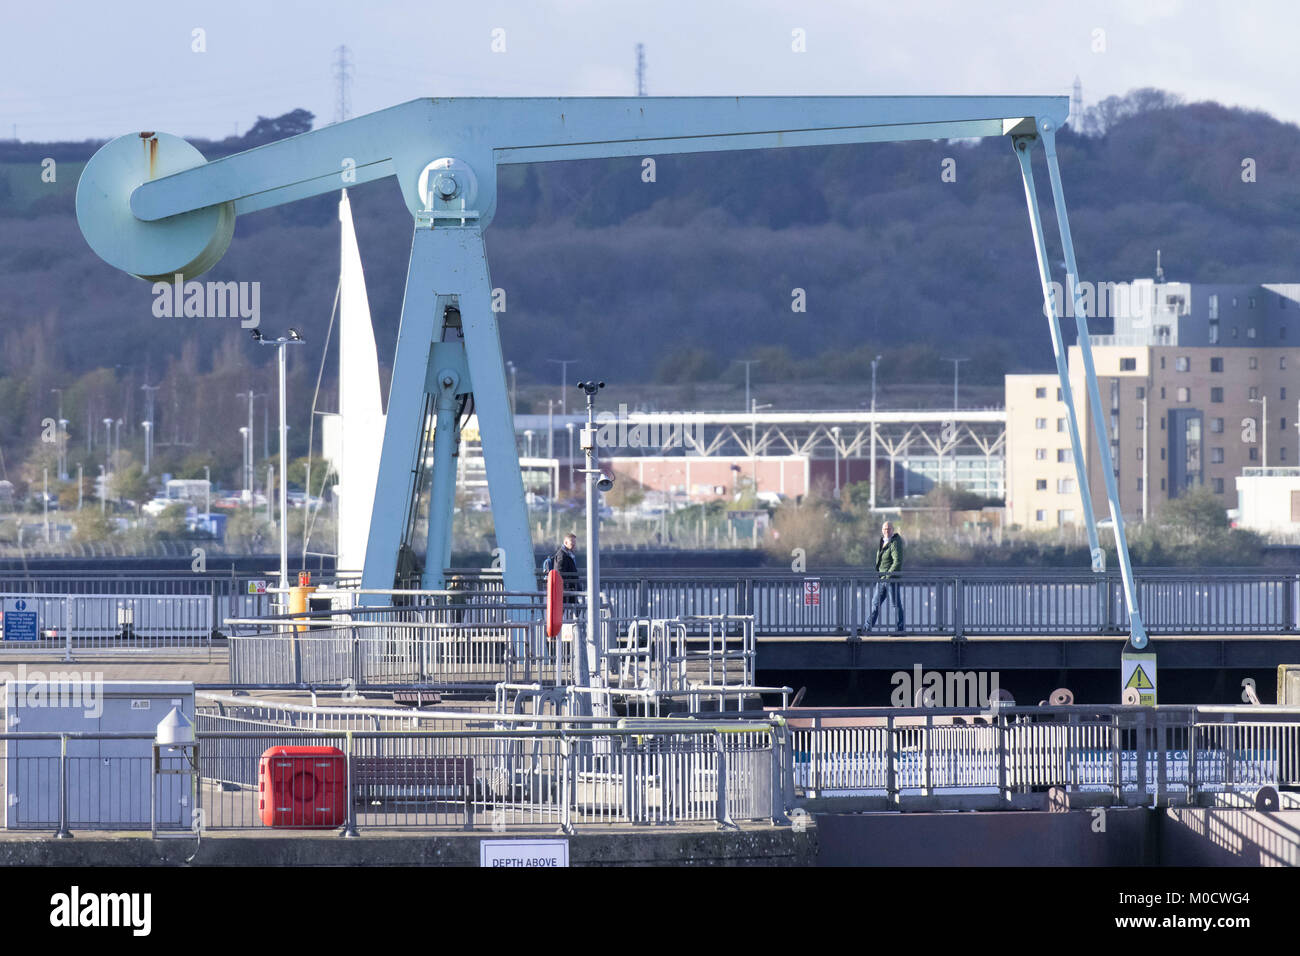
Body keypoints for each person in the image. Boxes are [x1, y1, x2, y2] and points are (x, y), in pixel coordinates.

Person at [867, 520, 905, 634]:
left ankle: (900, 629)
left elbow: (897, 561)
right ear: (882, 530)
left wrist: (888, 575)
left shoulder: (895, 542)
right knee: (875, 603)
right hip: (882, 579)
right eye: (884, 529)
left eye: (888, 529)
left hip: (891, 579)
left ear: (893, 530)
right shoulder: (883, 541)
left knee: (895, 604)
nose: (886, 531)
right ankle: (867, 627)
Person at [541, 533, 580, 605]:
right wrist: (567, 586)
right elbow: (560, 572)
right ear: (565, 542)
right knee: (576, 609)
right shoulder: (562, 555)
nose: (574, 544)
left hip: (568, 588)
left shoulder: (568, 554)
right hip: (566, 589)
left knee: (576, 609)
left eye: (575, 542)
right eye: (572, 542)